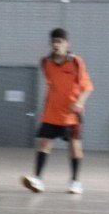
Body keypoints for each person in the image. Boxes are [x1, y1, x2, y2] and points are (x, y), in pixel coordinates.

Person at [24, 28, 93, 194]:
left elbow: (87, 87)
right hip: (51, 112)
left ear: (67, 44)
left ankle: (75, 182)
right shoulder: (45, 62)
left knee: (75, 147)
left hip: (72, 114)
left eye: (60, 42)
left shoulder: (76, 62)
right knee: (44, 144)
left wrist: (79, 103)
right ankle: (38, 180)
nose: (56, 45)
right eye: (54, 42)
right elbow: (51, 84)